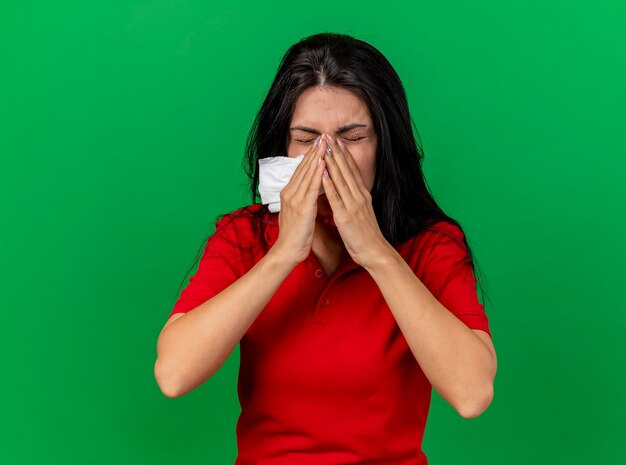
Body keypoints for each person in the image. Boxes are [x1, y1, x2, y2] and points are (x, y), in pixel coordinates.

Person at [154, 32, 497, 465]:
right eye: (306, 138)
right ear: (281, 148)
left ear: (384, 148)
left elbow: (472, 395)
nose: (326, 158)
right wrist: (282, 256)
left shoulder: (431, 245)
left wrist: (376, 252)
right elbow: (173, 374)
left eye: (352, 137)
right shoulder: (243, 237)